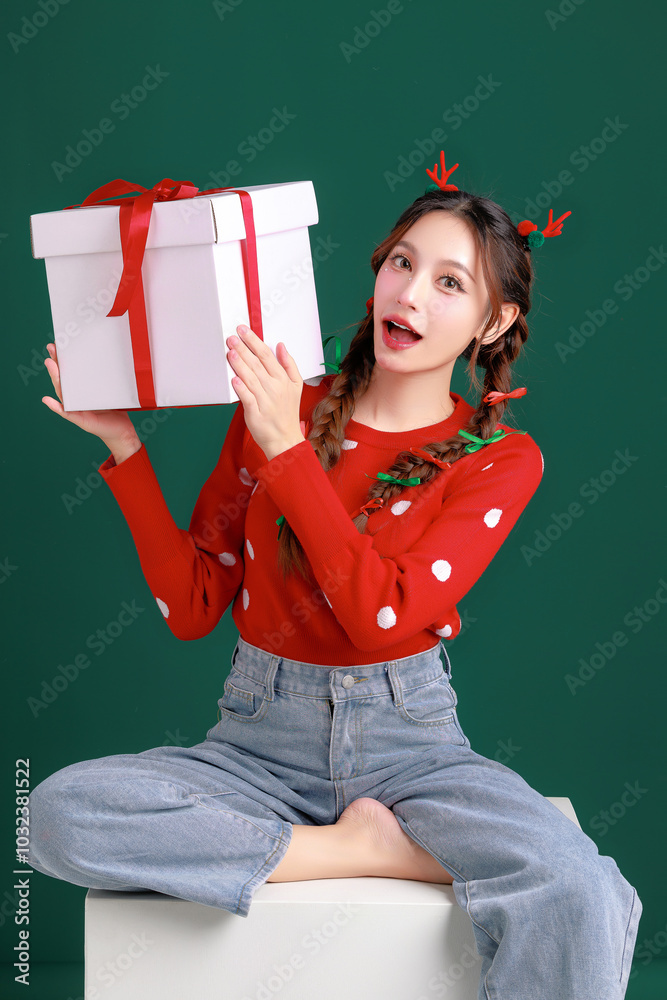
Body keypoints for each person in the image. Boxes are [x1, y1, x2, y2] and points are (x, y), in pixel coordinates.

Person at [29, 153, 641, 999]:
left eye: (448, 283)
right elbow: (192, 606)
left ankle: (371, 842)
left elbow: (381, 618)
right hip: (255, 744)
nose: (410, 294)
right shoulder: (285, 405)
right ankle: (357, 850)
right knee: (57, 814)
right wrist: (125, 451)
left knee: (575, 885)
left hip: (411, 750)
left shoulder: (500, 459)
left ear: (493, 324)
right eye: (401, 263)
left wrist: (286, 449)